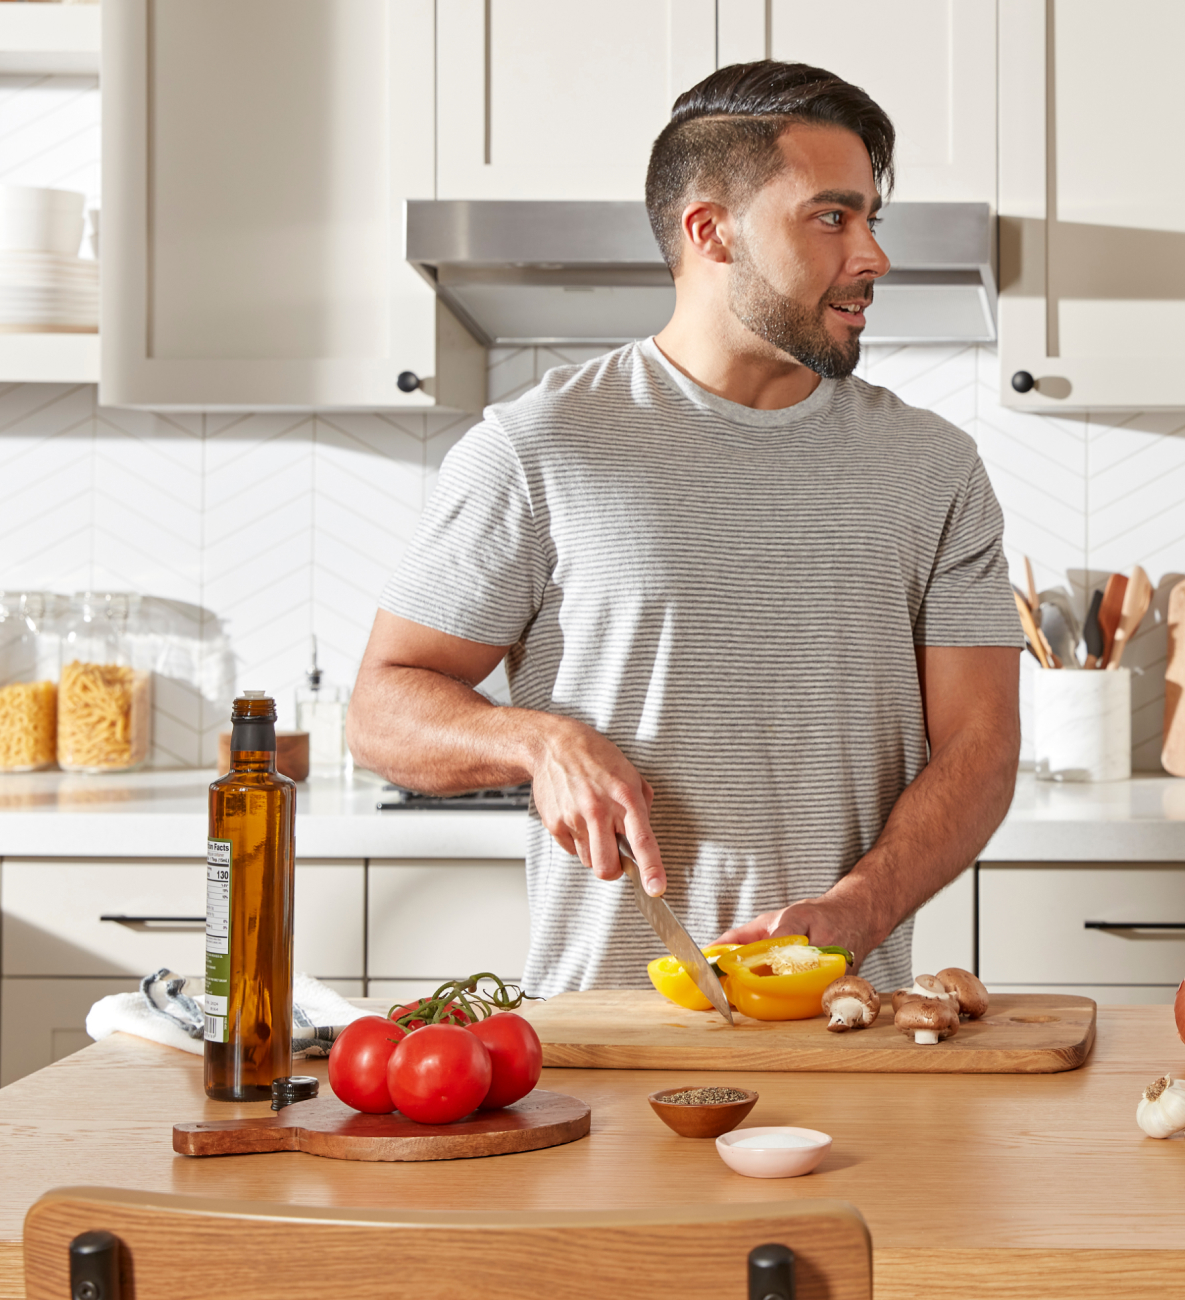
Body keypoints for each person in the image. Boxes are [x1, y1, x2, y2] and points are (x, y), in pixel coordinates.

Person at [346, 61, 1023, 997]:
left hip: (841, 1019)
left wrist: (861, 909)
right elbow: (381, 709)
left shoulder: (931, 468)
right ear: (712, 231)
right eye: (832, 216)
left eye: (872, 218)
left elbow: (980, 751)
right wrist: (537, 743)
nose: (873, 255)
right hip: (600, 1037)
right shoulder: (537, 447)